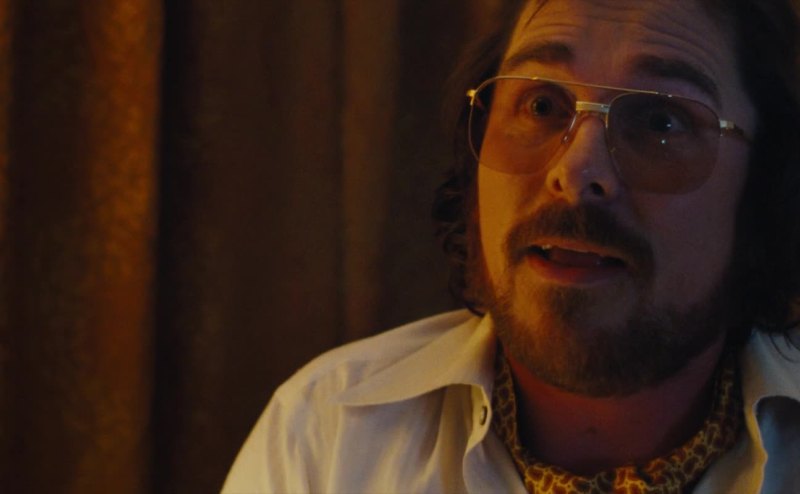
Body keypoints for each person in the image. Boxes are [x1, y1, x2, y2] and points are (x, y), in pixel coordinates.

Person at [223, 0, 800, 492]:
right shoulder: (327, 437)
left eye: (660, 123)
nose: (576, 172)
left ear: (767, 188)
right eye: (542, 106)